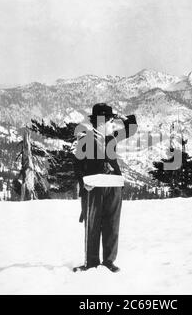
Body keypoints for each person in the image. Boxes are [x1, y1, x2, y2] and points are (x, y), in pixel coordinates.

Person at [73, 103, 138, 272]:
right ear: (99, 123)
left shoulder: (112, 137)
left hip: (114, 186)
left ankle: (109, 261)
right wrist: (83, 183)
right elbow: (77, 166)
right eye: (110, 121)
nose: (113, 125)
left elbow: (132, 128)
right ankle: (91, 262)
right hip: (92, 187)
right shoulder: (85, 139)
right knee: (92, 226)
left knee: (112, 224)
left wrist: (120, 116)